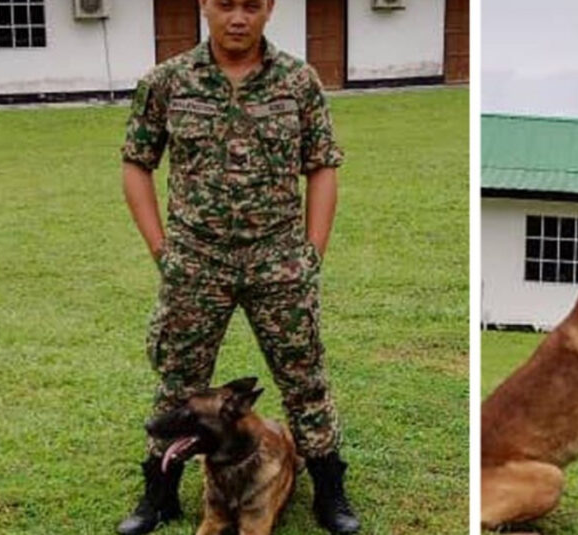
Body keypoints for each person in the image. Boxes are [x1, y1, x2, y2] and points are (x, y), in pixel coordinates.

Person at [116, 1, 359, 533]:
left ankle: (330, 491)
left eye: (252, 4)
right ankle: (158, 496)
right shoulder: (167, 81)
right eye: (225, 3)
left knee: (304, 378)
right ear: (205, 3)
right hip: (196, 263)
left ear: (269, 8)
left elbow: (322, 167)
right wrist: (163, 250)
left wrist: (310, 254)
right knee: (179, 384)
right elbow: (136, 163)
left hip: (277, 260)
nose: (238, 17)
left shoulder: (299, 81)